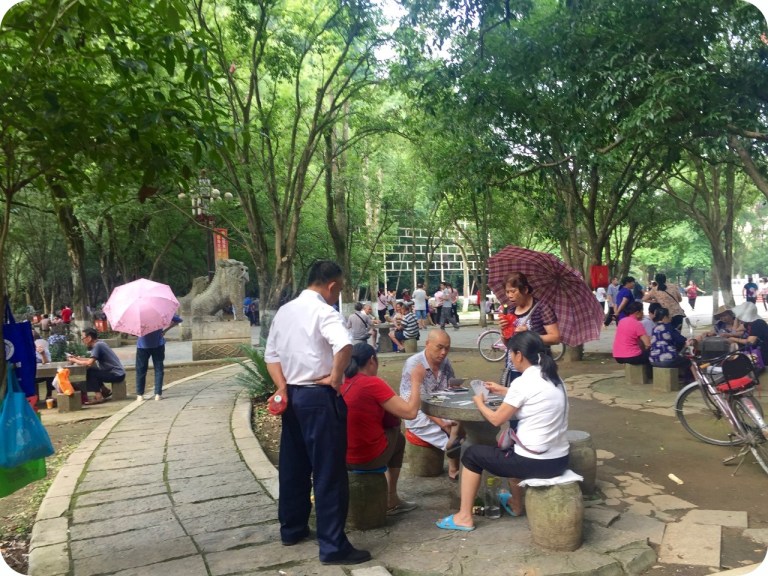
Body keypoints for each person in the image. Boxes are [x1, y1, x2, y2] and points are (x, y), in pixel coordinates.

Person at [264, 260, 369, 565]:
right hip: (319, 398)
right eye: (339, 289)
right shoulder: (324, 311)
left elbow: (271, 356)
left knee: (293, 466)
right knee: (328, 472)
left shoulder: (285, 311)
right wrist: (336, 378)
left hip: (293, 397)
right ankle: (333, 545)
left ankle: (292, 528)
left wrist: (282, 388)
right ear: (332, 285)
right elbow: (345, 345)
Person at [435, 331, 569, 532]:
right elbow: (534, 396)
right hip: (559, 460)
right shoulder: (554, 378)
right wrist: (503, 390)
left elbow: (496, 419)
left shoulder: (522, 382)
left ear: (519, 355)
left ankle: (464, 516)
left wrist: (480, 402)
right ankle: (515, 505)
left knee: (472, 455)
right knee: (512, 446)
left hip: (535, 463)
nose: (510, 358)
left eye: (511, 353)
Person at [343, 343, 420, 515]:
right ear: (372, 360)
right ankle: (391, 497)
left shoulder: (340, 380)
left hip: (340, 455)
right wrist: (416, 381)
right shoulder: (372, 383)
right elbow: (410, 412)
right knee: (399, 439)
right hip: (365, 458)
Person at [400, 330, 462, 480]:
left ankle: (453, 447)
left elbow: (449, 387)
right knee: (450, 431)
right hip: (417, 411)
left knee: (459, 421)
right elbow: (419, 403)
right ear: (427, 344)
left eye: (447, 348)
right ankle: (452, 456)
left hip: (440, 406)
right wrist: (442, 424)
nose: (443, 352)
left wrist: (454, 388)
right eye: (439, 347)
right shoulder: (414, 364)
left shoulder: (446, 362)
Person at [498, 272, 560, 386]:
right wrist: (504, 332)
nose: (509, 295)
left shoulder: (542, 308)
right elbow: (509, 345)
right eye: (507, 292)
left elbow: (555, 337)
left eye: (513, 291)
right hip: (513, 368)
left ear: (525, 290)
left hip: (536, 370)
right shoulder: (510, 310)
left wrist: (529, 335)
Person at [69, 327, 126, 404]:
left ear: (89, 338)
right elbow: (91, 360)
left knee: (91, 372)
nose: (83, 341)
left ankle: (99, 397)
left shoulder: (97, 346)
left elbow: (89, 363)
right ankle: (105, 390)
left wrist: (74, 360)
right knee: (93, 370)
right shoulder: (100, 343)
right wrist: (78, 359)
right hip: (118, 373)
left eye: (83, 338)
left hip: (116, 374)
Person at [135, 314, 182, 402]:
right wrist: (165, 330)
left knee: (141, 370)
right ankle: (157, 394)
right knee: (159, 369)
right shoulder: (160, 312)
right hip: (158, 344)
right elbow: (178, 320)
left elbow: (133, 332)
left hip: (142, 345)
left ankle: (140, 395)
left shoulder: (139, 315)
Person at [649, 307, 693, 382]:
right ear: (665, 317)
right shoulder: (668, 327)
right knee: (688, 361)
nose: (670, 319)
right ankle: (688, 380)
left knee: (679, 357)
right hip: (666, 360)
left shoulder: (654, 328)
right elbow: (682, 340)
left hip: (653, 360)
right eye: (669, 317)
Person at [612, 301, 651, 378]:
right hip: (632, 357)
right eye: (642, 311)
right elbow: (647, 344)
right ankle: (650, 376)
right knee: (652, 353)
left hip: (617, 356)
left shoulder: (621, 321)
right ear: (637, 312)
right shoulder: (637, 324)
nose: (643, 313)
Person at [728, 302, 768, 373]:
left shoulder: (758, 323)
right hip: (757, 350)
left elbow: (749, 342)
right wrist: (737, 318)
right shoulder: (749, 323)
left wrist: (733, 339)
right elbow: (734, 331)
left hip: (763, 352)